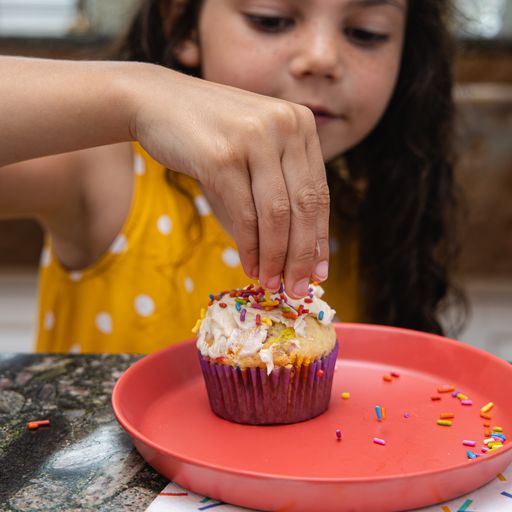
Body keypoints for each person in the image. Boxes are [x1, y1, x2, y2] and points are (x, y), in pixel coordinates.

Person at [0, 0, 462, 354]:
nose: (321, 58)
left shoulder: (382, 207)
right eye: (271, 19)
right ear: (181, 22)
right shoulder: (105, 174)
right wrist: (133, 93)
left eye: (366, 32)